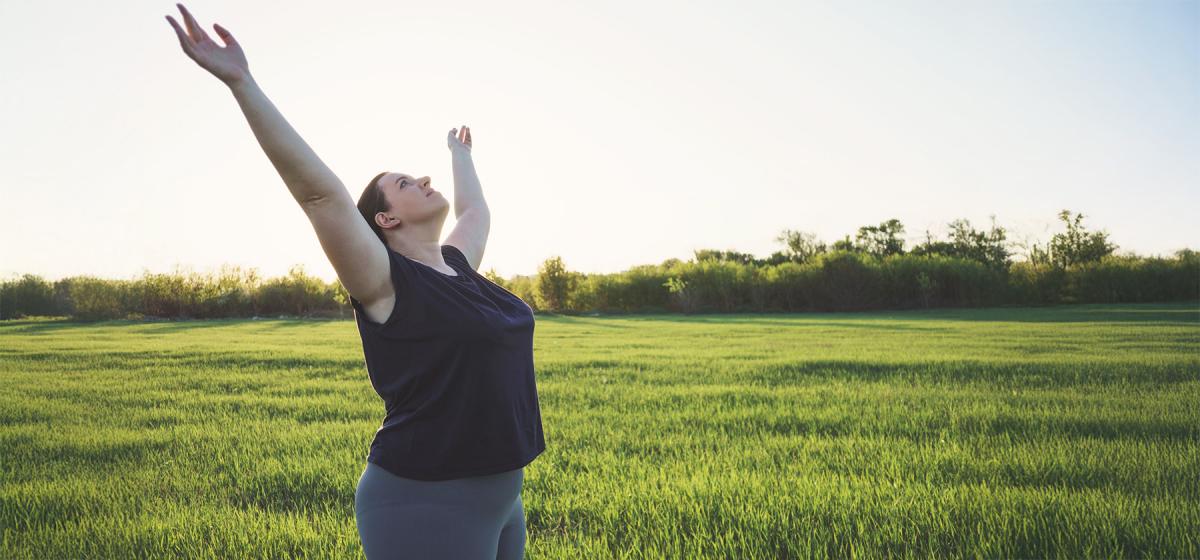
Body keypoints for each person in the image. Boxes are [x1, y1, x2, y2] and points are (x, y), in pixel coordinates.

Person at [165, 5, 546, 558]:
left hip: (501, 493)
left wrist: (459, 154)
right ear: (385, 219)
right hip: (422, 499)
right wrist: (241, 82)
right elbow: (320, 195)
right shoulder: (385, 282)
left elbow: (477, 213)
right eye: (403, 182)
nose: (421, 179)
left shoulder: (457, 268)